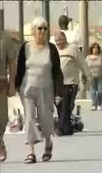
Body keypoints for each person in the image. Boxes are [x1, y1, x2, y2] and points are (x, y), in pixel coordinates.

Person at [15, 17, 63, 164]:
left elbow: (57, 72)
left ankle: (48, 142)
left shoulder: (51, 49)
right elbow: (20, 69)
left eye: (44, 28)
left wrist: (58, 93)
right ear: (33, 31)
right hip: (27, 88)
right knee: (29, 119)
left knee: (46, 118)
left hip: (46, 88)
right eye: (39, 28)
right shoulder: (26, 47)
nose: (42, 31)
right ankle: (31, 152)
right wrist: (16, 86)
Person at [54, 31, 90, 136]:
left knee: (66, 106)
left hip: (70, 82)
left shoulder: (73, 49)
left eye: (60, 40)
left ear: (65, 39)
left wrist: (88, 76)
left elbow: (82, 64)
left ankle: (60, 129)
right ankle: (67, 128)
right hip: (57, 84)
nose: (58, 43)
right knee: (59, 106)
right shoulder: (54, 50)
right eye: (57, 41)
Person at [0, 33, 17, 162]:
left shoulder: (5, 39)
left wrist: (12, 84)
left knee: (3, 119)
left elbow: (12, 62)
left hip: (1, 83)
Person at [86, 43, 102, 111]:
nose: (95, 49)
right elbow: (85, 67)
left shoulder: (101, 57)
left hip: (100, 75)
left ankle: (99, 104)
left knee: (100, 91)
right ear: (91, 49)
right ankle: (94, 104)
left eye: (97, 48)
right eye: (94, 48)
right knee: (93, 91)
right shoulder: (88, 58)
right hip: (91, 76)